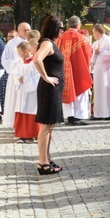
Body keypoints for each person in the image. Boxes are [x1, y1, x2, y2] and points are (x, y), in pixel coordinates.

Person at [33, 16, 65, 175]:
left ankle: (46, 158)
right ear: (54, 28)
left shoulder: (49, 42)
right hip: (49, 89)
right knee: (45, 127)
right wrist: (45, 77)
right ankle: (42, 163)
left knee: (49, 126)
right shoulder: (46, 43)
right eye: (61, 28)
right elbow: (36, 59)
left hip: (54, 89)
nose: (62, 31)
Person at [58, 16, 93, 126]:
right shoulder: (81, 38)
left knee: (67, 91)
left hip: (64, 69)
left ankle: (70, 117)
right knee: (80, 92)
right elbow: (88, 53)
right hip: (78, 68)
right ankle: (79, 117)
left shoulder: (61, 38)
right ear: (78, 25)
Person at [1, 22, 31, 129]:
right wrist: (18, 63)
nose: (27, 32)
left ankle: (27, 125)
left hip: (29, 77)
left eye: (28, 30)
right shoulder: (12, 43)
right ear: (18, 31)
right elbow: (5, 60)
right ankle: (14, 123)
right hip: (16, 76)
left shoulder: (32, 42)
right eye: (24, 30)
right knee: (14, 101)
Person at [12, 41, 40, 143]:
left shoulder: (35, 62)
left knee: (31, 111)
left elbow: (38, 76)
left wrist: (26, 80)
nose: (18, 54)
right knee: (21, 110)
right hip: (22, 90)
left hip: (31, 91)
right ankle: (23, 134)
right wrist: (18, 79)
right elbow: (16, 74)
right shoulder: (21, 62)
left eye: (19, 52)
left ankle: (33, 134)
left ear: (26, 51)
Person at [91, 24, 110, 119]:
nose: (93, 35)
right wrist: (95, 56)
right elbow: (93, 57)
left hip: (107, 69)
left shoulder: (109, 41)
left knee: (107, 90)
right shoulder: (95, 43)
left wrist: (100, 52)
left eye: (94, 32)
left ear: (98, 32)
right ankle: (98, 113)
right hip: (98, 69)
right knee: (98, 91)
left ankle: (109, 113)